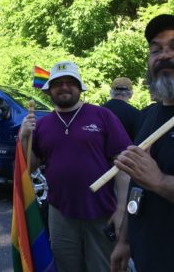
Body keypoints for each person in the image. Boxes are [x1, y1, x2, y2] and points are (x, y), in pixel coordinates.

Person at [19, 61, 131, 272]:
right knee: (66, 268)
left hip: (102, 211)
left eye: (70, 82)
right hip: (60, 213)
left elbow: (123, 165)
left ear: (80, 87)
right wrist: (24, 137)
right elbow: (29, 167)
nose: (64, 87)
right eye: (57, 83)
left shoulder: (103, 116)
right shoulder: (42, 125)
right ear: (49, 90)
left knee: (103, 267)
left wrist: (121, 209)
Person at [111, 14, 174, 272]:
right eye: (155, 50)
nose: (163, 55)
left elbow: (151, 181)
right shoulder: (148, 115)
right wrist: (124, 240)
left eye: (173, 47)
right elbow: (138, 185)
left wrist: (159, 181)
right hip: (144, 257)